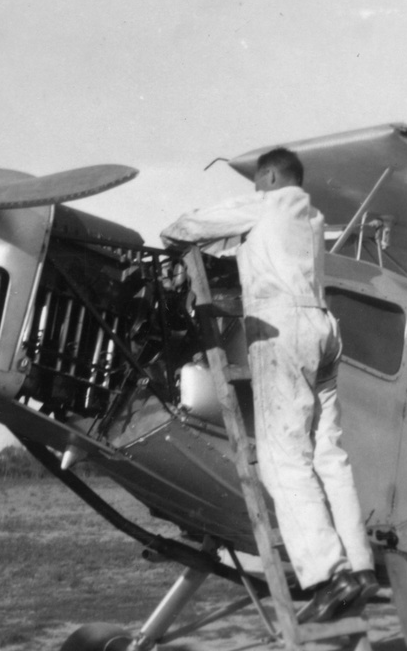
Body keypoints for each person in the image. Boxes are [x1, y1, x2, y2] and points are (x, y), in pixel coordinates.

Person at [161, 148, 377, 622]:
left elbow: (187, 227)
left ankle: (328, 574)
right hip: (323, 329)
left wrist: (172, 242)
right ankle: (360, 566)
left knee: (283, 460)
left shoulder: (266, 204)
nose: (256, 191)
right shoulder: (312, 218)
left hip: (283, 333)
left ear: (272, 177)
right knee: (329, 455)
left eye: (259, 183)